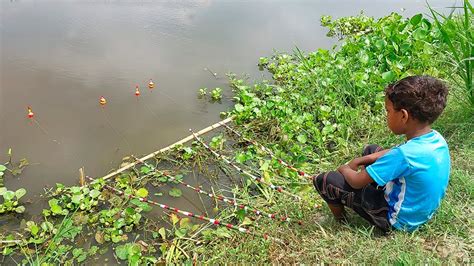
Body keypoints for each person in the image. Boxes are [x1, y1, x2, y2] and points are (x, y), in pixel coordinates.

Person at [313, 75, 450, 232]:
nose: (387, 115)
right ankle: (372, 183)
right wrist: (364, 159)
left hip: (397, 221)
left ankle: (340, 221)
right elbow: (394, 153)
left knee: (326, 180)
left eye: (388, 111)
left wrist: (344, 169)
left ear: (403, 116)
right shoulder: (435, 138)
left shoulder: (403, 156)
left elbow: (356, 181)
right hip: (419, 210)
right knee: (371, 151)